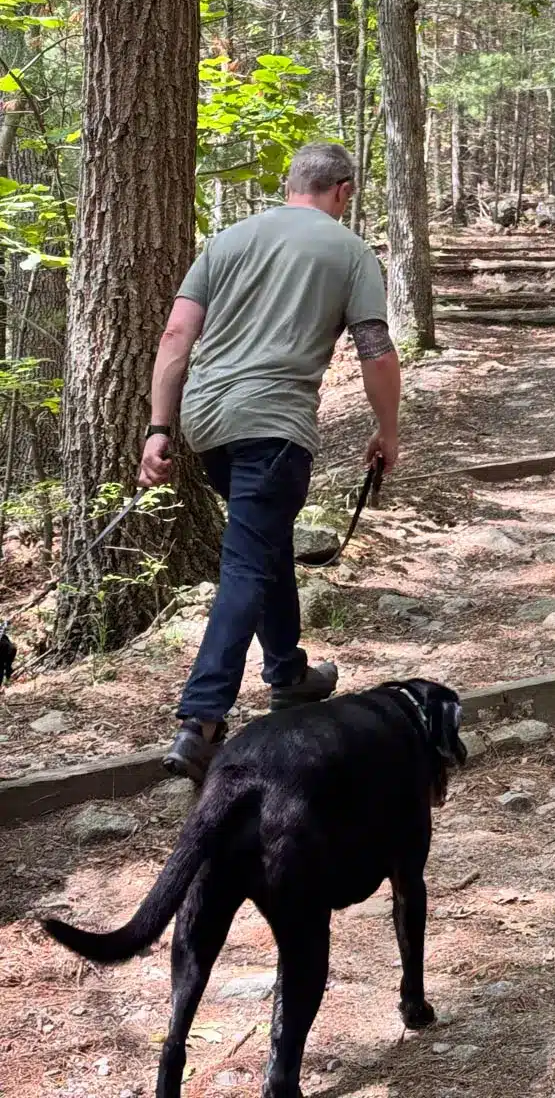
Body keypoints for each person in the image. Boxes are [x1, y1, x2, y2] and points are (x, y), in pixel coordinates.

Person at [139, 142, 402, 783]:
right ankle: (200, 720)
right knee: (246, 566)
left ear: (291, 186)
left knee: (263, 550)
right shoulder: (349, 250)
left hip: (207, 424)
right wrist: (386, 430)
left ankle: (289, 675)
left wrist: (158, 428)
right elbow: (375, 348)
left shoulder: (227, 240)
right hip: (274, 424)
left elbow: (176, 337)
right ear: (342, 192)